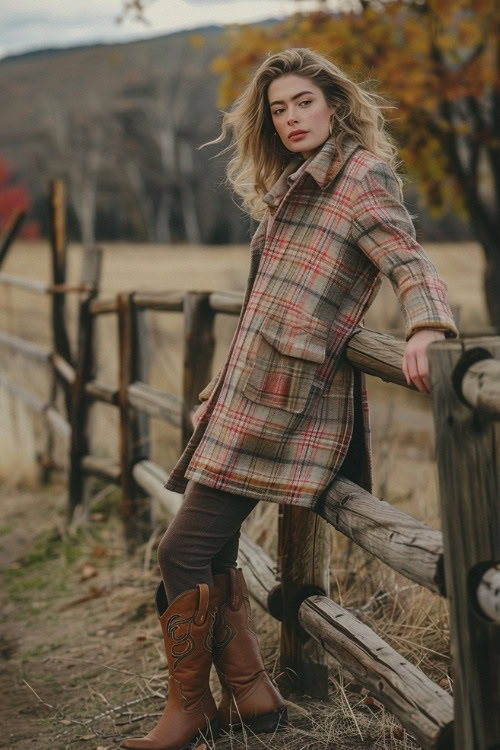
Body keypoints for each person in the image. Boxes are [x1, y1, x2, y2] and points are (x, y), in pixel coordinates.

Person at [120, 47, 458, 750]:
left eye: (304, 102)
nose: (291, 117)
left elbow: (408, 258)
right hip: (248, 395)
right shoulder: (295, 183)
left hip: (286, 405)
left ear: (333, 104)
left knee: (181, 549)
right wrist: (216, 390)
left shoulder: (361, 176)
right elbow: (264, 308)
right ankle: (252, 698)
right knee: (206, 550)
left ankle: (193, 709)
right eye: (278, 109)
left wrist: (428, 325)